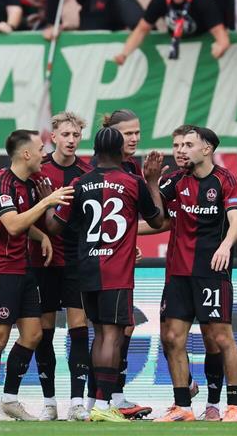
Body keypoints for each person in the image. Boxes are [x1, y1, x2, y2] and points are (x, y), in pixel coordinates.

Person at [140, 125, 237, 421]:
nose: (180, 150)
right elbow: (156, 217)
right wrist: (152, 182)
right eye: (177, 145)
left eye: (188, 144)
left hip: (211, 272)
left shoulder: (224, 180)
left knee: (220, 338)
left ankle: (234, 406)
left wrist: (234, 255)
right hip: (178, 273)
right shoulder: (175, 180)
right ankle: (183, 407)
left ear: (207, 149)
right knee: (172, 338)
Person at [52, 127, 164, 422]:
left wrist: (50, 201)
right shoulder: (133, 182)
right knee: (111, 337)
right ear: (119, 152)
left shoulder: (79, 182)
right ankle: (103, 406)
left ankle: (94, 404)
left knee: (99, 334)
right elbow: (158, 219)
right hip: (116, 271)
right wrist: (153, 182)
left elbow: (57, 226)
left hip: (86, 269)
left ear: (95, 151)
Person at [0, 129, 71, 422]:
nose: (45, 153)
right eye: (41, 148)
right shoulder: (0, 184)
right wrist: (46, 202)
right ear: (26, 154)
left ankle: (9, 399)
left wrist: (41, 234)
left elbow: (23, 222)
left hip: (23, 267)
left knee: (33, 334)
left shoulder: (29, 184)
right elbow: (13, 224)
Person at [30, 112, 93, 421]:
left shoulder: (87, 172)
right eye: (65, 134)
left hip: (77, 262)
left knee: (79, 330)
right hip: (44, 261)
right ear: (52, 137)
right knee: (44, 332)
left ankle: (77, 402)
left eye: (76, 135)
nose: (71, 140)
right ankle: (49, 401)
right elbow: (21, 216)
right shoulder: (39, 172)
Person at [99, 109, 151, 418]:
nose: (134, 138)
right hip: (92, 261)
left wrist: (129, 239)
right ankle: (93, 401)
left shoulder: (132, 167)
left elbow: (130, 217)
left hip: (119, 261)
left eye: (137, 133)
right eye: (127, 133)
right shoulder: (94, 168)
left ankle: (111, 398)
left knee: (122, 327)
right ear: (112, 134)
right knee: (100, 330)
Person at [114, 0, 229, 66]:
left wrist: (221, 47)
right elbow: (141, 30)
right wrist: (124, 54)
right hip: (176, 49)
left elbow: (220, 32)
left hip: (202, 48)